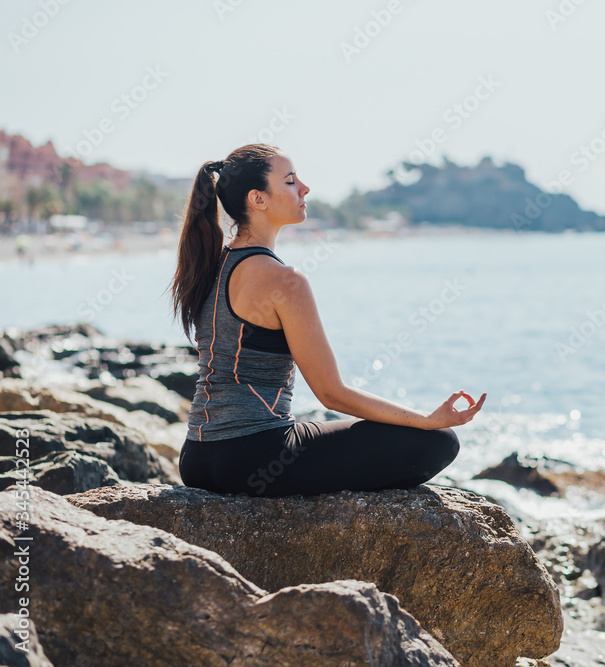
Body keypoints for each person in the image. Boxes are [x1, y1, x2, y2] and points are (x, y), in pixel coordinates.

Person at [170, 144, 485, 497]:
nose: (304, 188)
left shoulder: (211, 267)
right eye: (290, 182)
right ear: (258, 199)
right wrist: (426, 420)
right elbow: (332, 393)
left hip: (197, 457)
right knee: (438, 442)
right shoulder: (285, 281)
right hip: (251, 458)